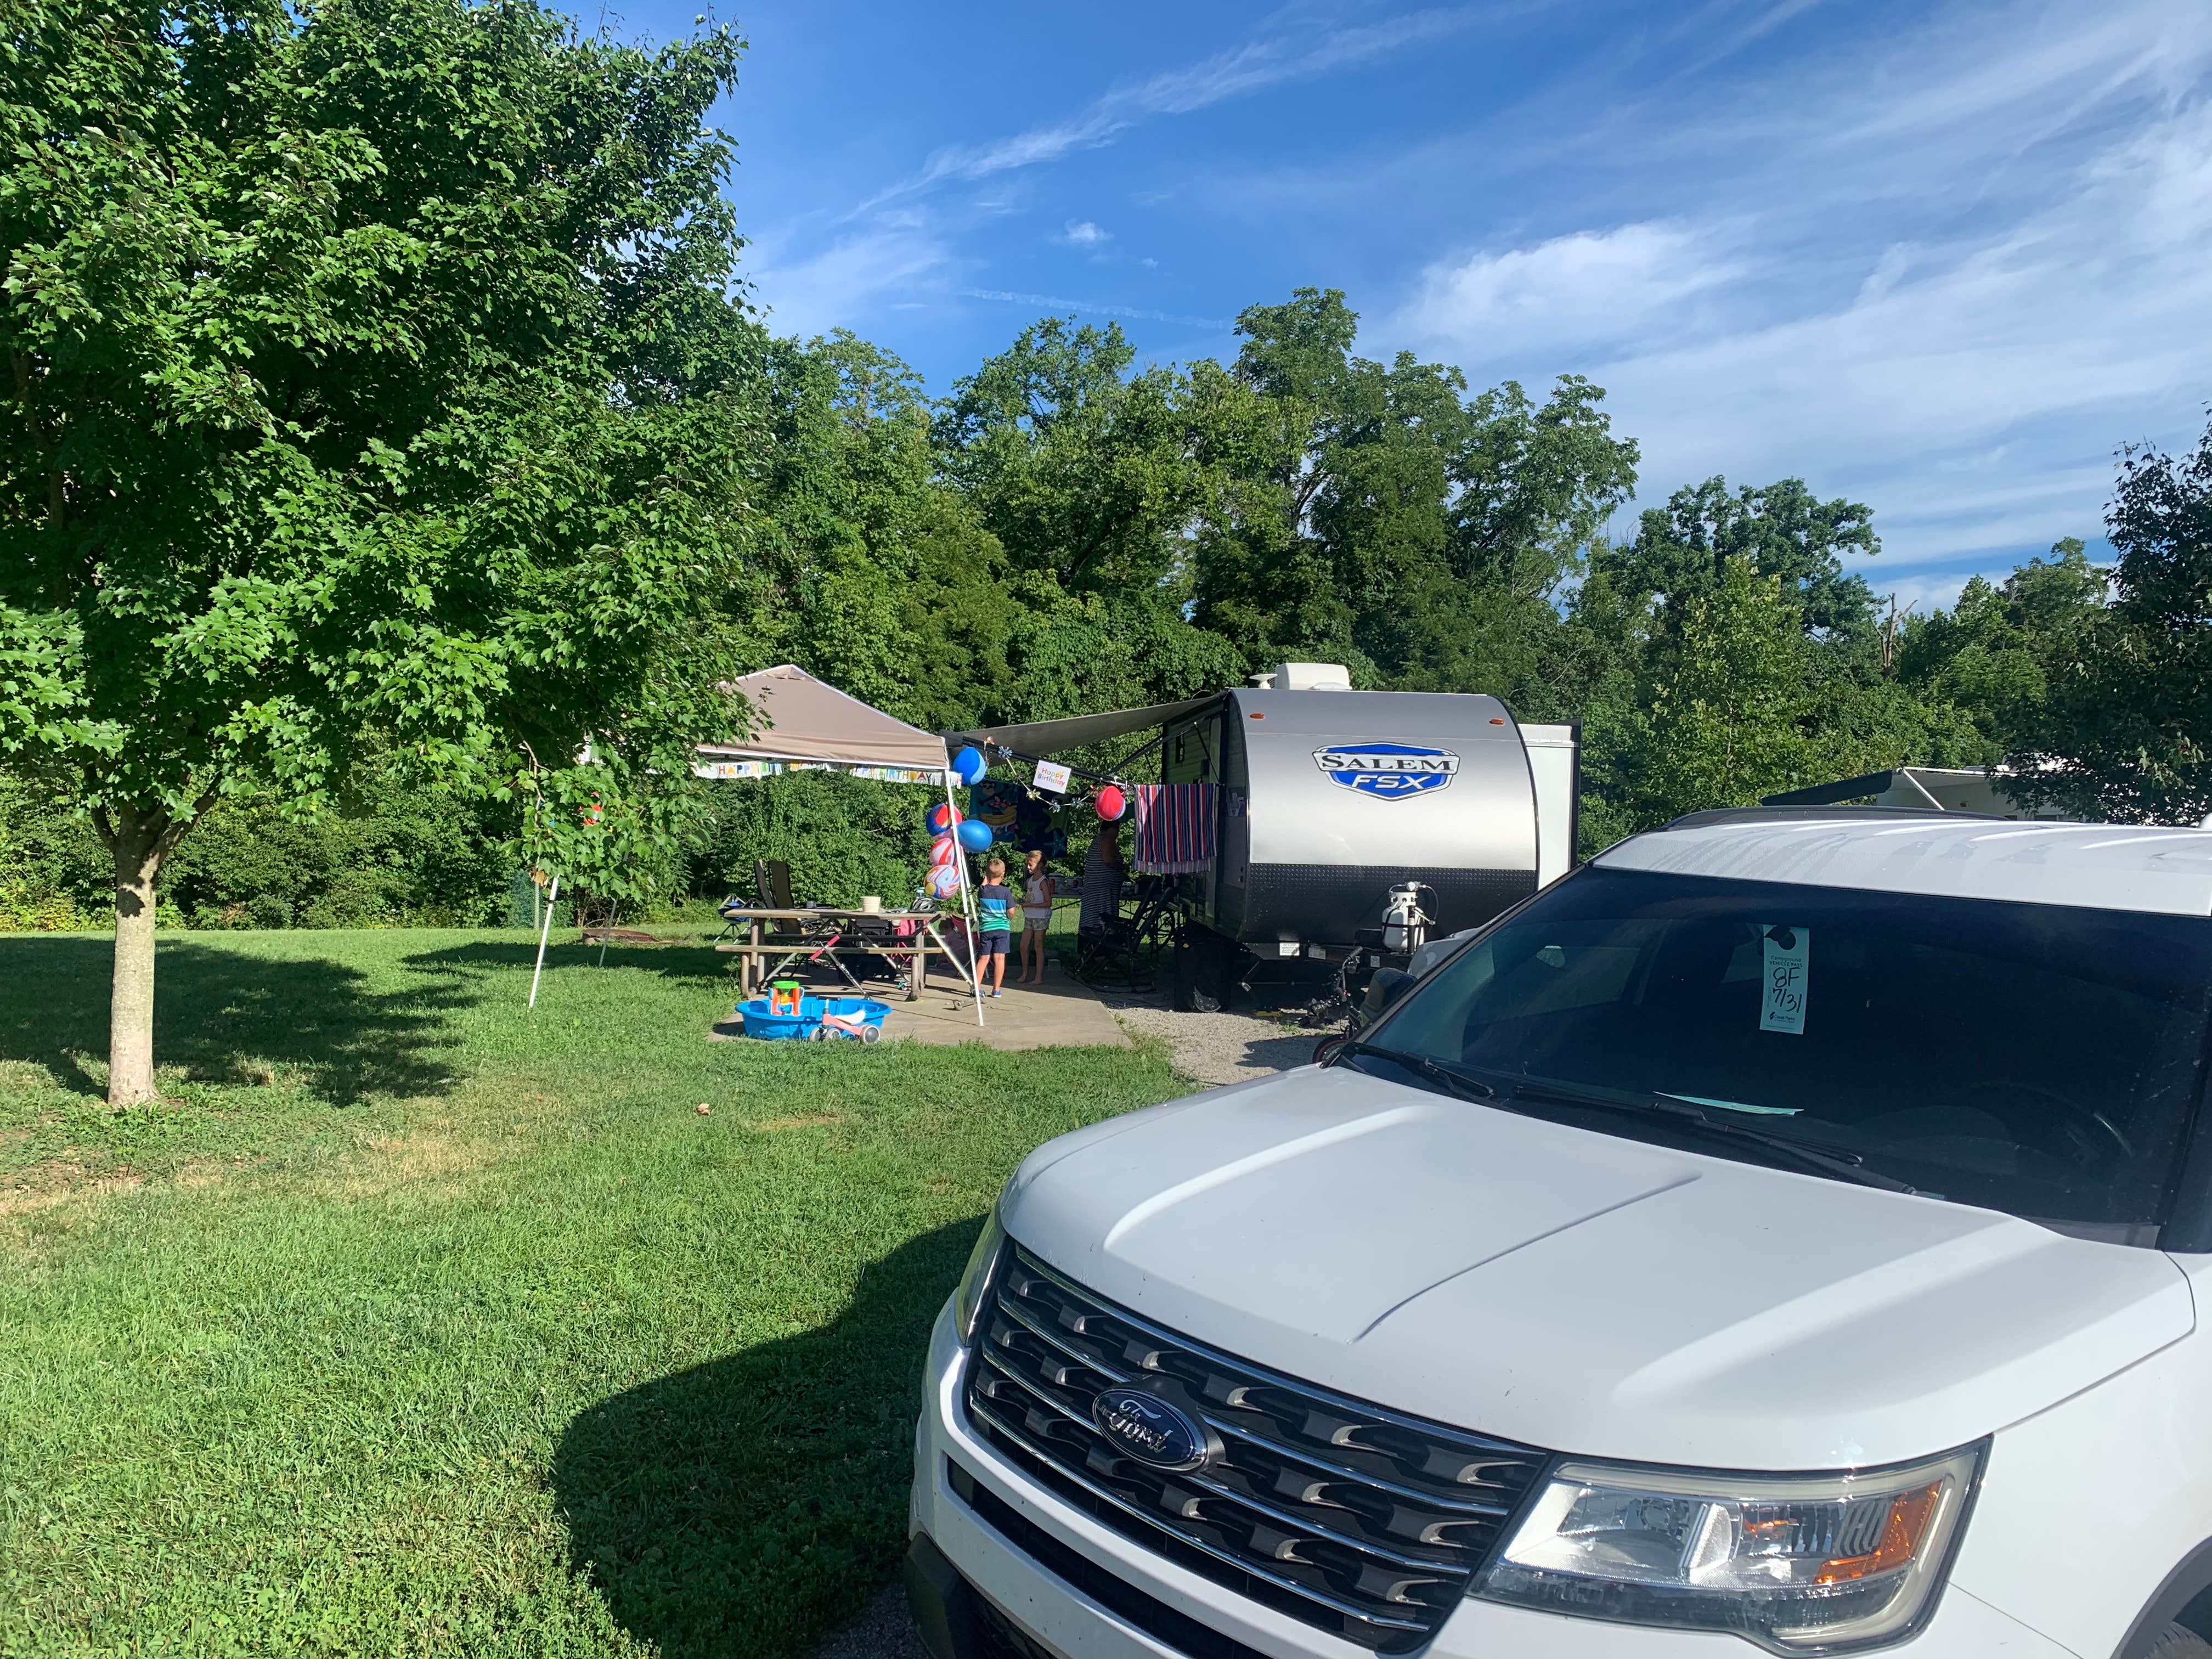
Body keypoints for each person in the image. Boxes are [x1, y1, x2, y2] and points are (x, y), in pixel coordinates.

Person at [974, 856, 1014, 997]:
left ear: (987, 874)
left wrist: (985, 882)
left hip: (986, 929)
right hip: (1002, 928)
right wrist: (1009, 916)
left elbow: (983, 888)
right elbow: (1011, 912)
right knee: (1000, 959)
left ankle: (977, 987)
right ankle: (996, 990)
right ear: (1003, 874)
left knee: (983, 958)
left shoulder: (983, 890)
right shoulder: (1006, 892)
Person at [1079, 819, 1125, 936]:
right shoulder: (1107, 839)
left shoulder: (1097, 840)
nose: (1118, 834)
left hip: (1096, 888)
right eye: (1117, 830)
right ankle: (1101, 942)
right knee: (1102, 918)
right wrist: (1122, 867)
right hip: (1102, 891)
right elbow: (1108, 860)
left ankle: (1089, 943)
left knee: (1092, 916)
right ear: (1112, 829)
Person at [1018, 847, 1056, 984]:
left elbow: (1048, 903)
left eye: (1031, 864)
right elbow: (1031, 898)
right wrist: (1024, 902)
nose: (1028, 867)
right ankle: (1025, 973)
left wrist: (1030, 905)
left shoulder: (1043, 882)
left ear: (1039, 865)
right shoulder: (1030, 881)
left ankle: (1038, 977)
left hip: (1041, 917)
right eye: (1027, 864)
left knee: (1038, 946)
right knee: (1023, 945)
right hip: (1029, 916)